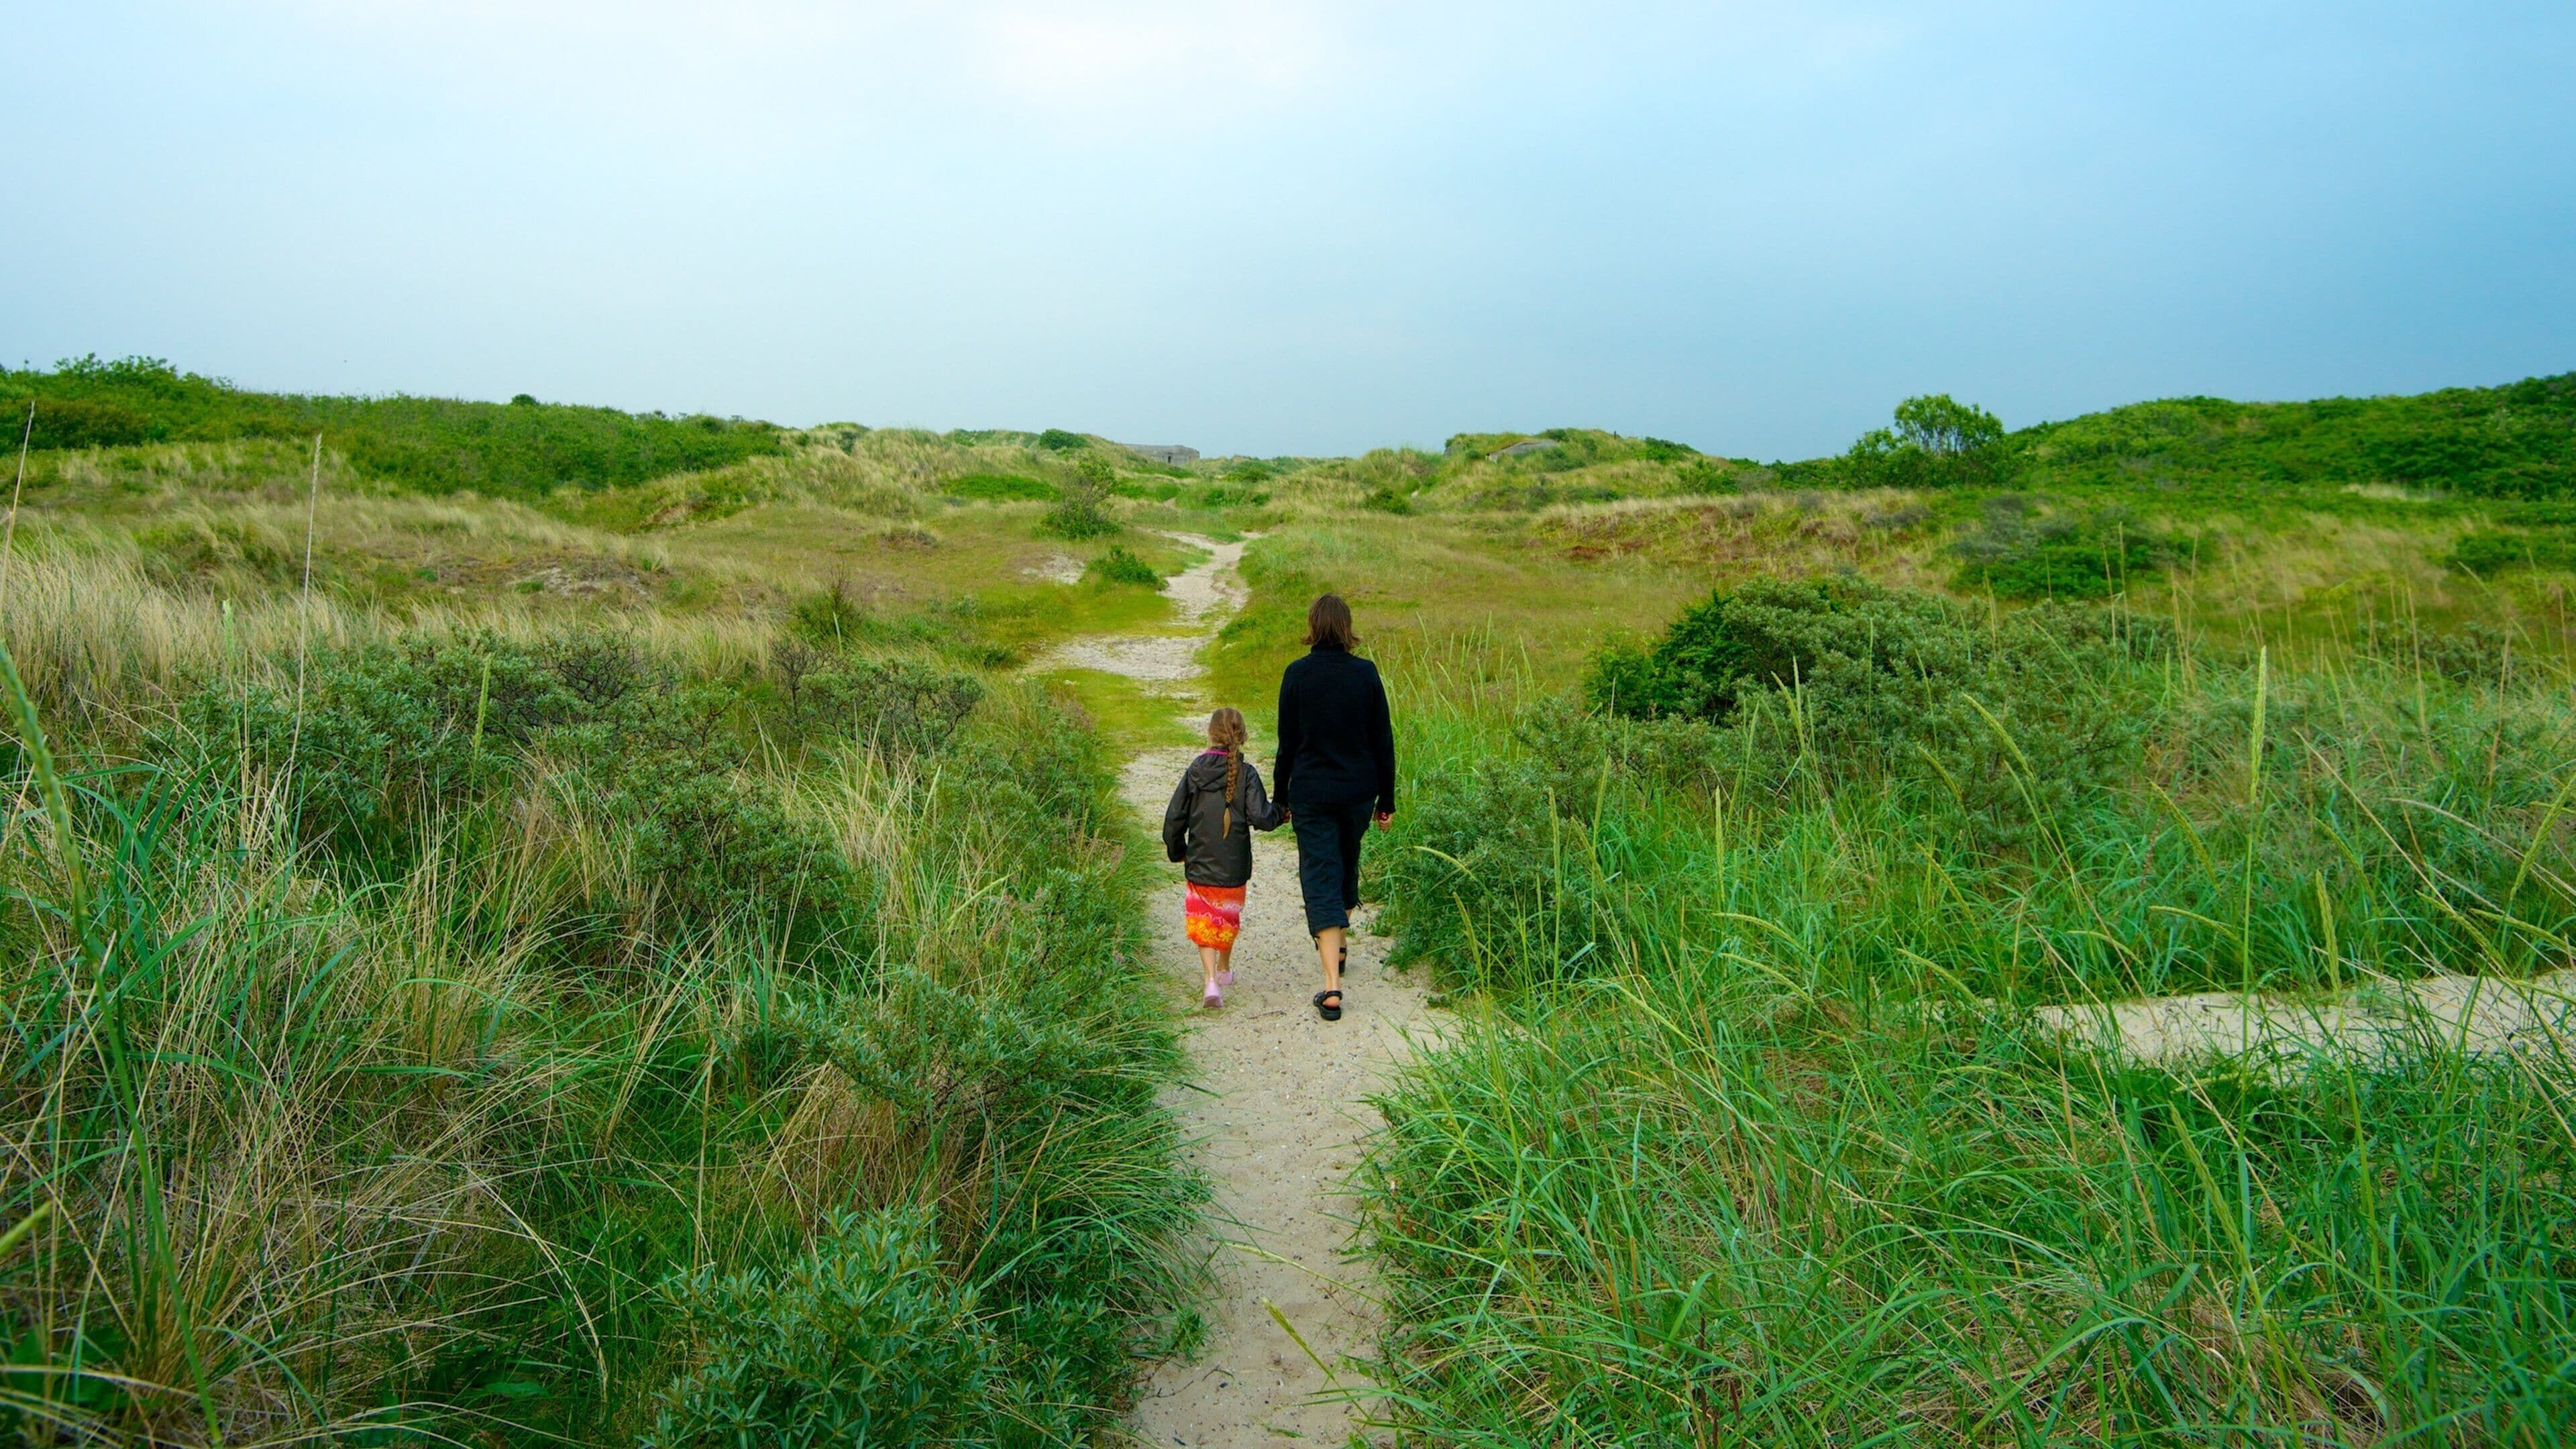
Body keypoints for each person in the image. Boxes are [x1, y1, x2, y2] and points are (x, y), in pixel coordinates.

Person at [1273, 592, 1395, 1022]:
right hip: (1358, 793)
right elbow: (1383, 741)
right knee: (1345, 860)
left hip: (1311, 793)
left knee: (1322, 873)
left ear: (1313, 626)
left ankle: (1331, 986)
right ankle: (1338, 948)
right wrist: (1387, 800)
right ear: (1346, 627)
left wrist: (1280, 797)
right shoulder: (1365, 673)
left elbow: (1287, 744)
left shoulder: (1297, 675)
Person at [1161, 706, 1282, 1009]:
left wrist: (1178, 851)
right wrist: (1282, 813)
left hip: (1200, 862)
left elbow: (1174, 817)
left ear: (1210, 733)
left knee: (1203, 921)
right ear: (1242, 736)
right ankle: (1225, 968)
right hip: (1234, 866)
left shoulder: (1195, 771)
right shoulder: (1247, 773)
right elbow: (1262, 816)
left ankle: (1210, 979)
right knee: (1227, 917)